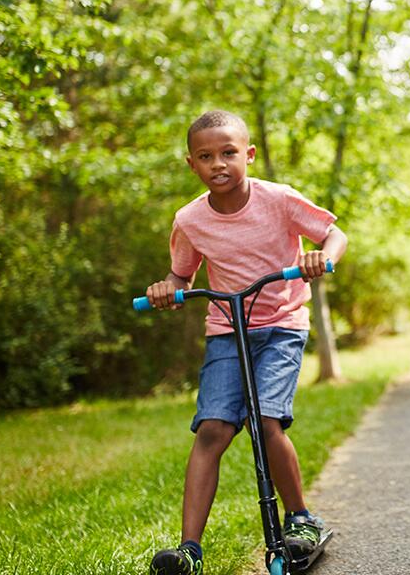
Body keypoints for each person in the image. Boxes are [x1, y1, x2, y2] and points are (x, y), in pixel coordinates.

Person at [144, 110, 348, 575]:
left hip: (281, 323)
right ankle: (188, 550)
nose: (218, 163)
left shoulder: (278, 200)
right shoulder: (190, 219)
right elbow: (181, 273)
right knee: (213, 429)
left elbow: (334, 233)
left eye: (229, 153)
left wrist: (323, 258)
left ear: (248, 155)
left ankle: (299, 518)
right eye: (206, 156)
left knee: (265, 420)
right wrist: (167, 289)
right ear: (191, 164)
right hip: (226, 331)